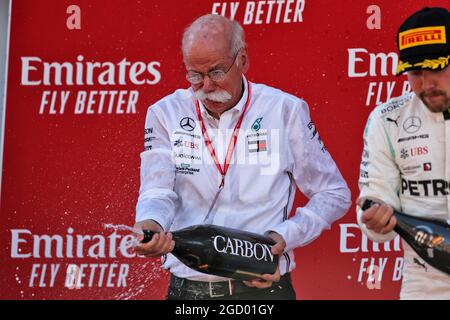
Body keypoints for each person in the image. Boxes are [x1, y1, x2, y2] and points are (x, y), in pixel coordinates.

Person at [134, 14, 351, 300]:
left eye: (217, 72)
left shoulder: (285, 111)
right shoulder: (165, 113)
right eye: (195, 76)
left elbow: (334, 193)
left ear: (243, 60)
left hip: (263, 291)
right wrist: (151, 223)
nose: (207, 86)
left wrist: (284, 237)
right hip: (188, 292)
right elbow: (157, 190)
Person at [357, 7, 450, 300]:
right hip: (424, 284)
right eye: (415, 73)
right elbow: (375, 203)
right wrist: (374, 219)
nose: (426, 85)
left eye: (436, 68)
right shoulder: (387, 120)